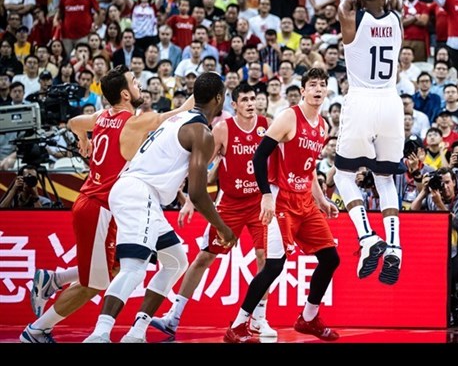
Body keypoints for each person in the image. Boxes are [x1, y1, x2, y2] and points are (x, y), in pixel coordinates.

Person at [21, 66, 194, 343]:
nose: (139, 85)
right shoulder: (133, 122)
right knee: (93, 284)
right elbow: (176, 113)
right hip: (98, 206)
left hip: (103, 204)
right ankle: (37, 330)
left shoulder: (102, 116)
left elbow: (74, 123)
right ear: (125, 94)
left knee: (112, 269)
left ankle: (55, 280)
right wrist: (201, 91)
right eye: (135, 82)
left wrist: (84, 140)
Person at [83, 72, 235, 343]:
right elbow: (198, 193)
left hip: (140, 193)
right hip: (139, 193)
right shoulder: (201, 132)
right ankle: (99, 334)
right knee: (134, 268)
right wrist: (222, 228)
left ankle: (137, 331)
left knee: (176, 262)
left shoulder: (179, 118)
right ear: (219, 99)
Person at [149, 84, 276, 340]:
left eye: (253, 99)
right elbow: (203, 167)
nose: (251, 103)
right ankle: (173, 317)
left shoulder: (267, 125)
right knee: (204, 258)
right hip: (230, 203)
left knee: (265, 257)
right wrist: (190, 201)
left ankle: (259, 319)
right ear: (234, 104)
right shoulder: (222, 129)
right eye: (244, 100)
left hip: (258, 202)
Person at [225, 67, 340, 343]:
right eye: (313, 85)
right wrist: (266, 195)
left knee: (330, 258)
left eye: (322, 85)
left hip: (305, 201)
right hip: (281, 199)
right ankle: (238, 325)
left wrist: (321, 200)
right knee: (274, 265)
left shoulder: (323, 126)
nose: (318, 89)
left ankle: (308, 318)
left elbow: (308, 170)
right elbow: (259, 156)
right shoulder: (289, 117)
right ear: (303, 90)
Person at [332, 0, 406, 284]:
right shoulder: (397, 14)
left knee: (343, 175)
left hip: (361, 99)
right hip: (391, 101)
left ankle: (367, 237)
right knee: (385, 177)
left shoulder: (351, 15)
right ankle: (394, 247)